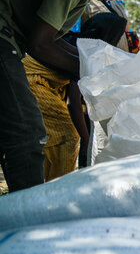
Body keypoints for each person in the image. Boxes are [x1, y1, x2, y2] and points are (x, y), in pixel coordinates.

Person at [0, 0, 140, 191]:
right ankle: (31, 216)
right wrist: (91, 71)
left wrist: (98, 65)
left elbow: (53, 39)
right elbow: (41, 45)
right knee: (27, 131)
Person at [23, 13, 126, 180]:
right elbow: (74, 103)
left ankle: (49, 185)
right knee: (68, 139)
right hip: (34, 81)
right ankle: (59, 190)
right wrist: (85, 141)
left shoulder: (74, 44)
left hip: (36, 81)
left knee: (53, 140)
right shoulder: (82, 55)